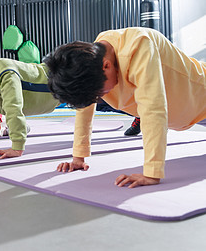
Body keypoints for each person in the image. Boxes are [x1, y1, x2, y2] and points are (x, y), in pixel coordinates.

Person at [44, 27, 206, 188]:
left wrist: (152, 173)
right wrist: (78, 158)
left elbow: (153, 109)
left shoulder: (140, 45)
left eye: (101, 92)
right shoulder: (92, 59)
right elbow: (84, 111)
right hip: (183, 113)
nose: (102, 96)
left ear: (106, 66)